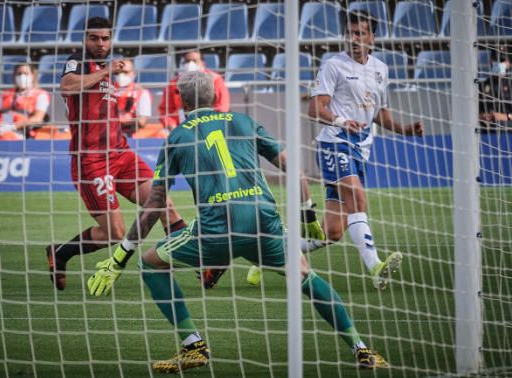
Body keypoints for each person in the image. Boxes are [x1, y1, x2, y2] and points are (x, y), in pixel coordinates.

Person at [86, 71, 388, 373]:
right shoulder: (243, 122)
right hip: (263, 223)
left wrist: (119, 258)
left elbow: (154, 205)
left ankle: (193, 345)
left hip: (216, 231)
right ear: (216, 97)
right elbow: (293, 169)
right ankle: (361, 348)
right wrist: (307, 214)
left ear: (182, 101)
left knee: (150, 263)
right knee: (306, 276)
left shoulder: (177, 137)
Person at [47, 17, 186, 290]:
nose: (101, 43)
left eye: (106, 38)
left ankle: (202, 264)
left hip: (121, 154)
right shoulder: (78, 62)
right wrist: (106, 70)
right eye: (95, 38)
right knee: (115, 232)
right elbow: (67, 86)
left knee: (162, 204)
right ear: (85, 40)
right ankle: (60, 252)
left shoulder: (103, 71)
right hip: (92, 160)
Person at [307, 11, 424, 290]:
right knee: (358, 198)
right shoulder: (333, 66)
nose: (354, 39)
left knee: (331, 233)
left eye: (360, 33)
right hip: (334, 142)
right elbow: (314, 109)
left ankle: (273, 253)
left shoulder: (381, 69)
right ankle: (376, 267)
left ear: (372, 37)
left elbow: (380, 115)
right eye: (350, 33)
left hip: (362, 148)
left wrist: (404, 129)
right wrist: (340, 121)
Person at [0, 63, 50, 141]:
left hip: (20, 131)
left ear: (33, 76)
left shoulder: (41, 95)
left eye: (25, 73)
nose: (22, 76)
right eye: (19, 74)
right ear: (14, 76)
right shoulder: (5, 94)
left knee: (6, 138)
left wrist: (12, 127)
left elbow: (37, 119)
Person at [158, 50, 230, 131]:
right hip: (181, 128)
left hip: (210, 126)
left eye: (195, 61)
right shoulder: (173, 84)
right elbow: (165, 111)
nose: (190, 64)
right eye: (187, 61)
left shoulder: (215, 80)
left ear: (202, 63)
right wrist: (171, 125)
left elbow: (222, 108)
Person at [113, 58, 155, 138]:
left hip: (131, 134)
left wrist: (119, 121)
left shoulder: (141, 92)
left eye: (125, 72)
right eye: (119, 72)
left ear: (133, 73)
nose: (121, 75)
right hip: (109, 133)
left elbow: (141, 122)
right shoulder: (109, 90)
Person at [478, 46, 512, 131]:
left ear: (509, 63)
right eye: (496, 61)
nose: (499, 64)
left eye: (502, 61)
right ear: (490, 61)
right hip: (488, 133)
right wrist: (484, 116)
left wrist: (504, 117)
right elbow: (475, 112)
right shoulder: (482, 85)